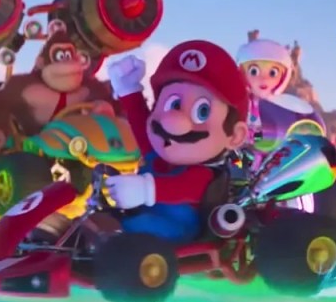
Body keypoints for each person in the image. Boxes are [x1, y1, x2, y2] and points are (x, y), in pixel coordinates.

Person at [103, 40, 251, 243]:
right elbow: (140, 124)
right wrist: (129, 90)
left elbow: (182, 188)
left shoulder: (203, 175)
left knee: (135, 226)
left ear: (235, 136)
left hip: (178, 230)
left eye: (202, 112)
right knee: (107, 217)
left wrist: (145, 189)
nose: (172, 120)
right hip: (142, 215)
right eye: (173, 104)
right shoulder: (159, 153)